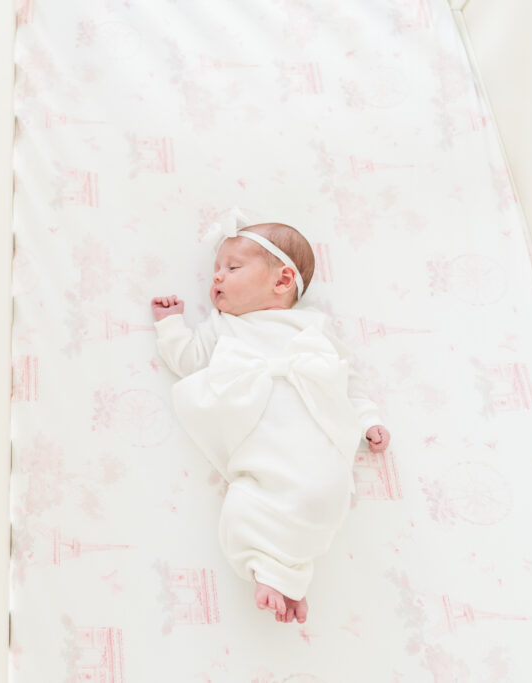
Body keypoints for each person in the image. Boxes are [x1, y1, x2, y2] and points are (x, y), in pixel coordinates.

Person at [151, 218, 391, 624]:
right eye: (217, 270)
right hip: (262, 448)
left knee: (323, 505)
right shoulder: (223, 326)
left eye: (232, 268)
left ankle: (293, 575)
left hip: (318, 446)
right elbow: (189, 362)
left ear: (281, 281)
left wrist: (368, 419)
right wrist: (171, 326)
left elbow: (347, 379)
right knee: (245, 506)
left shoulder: (314, 327)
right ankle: (271, 574)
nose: (217, 278)